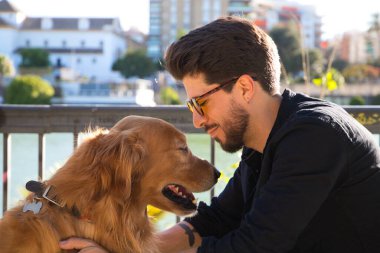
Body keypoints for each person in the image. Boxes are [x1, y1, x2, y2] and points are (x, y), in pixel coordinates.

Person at [60, 16, 380, 253]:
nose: (197, 121)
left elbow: (253, 247)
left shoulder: (314, 135)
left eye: (201, 103)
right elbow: (215, 221)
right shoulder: (264, 141)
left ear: (243, 88)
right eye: (190, 106)